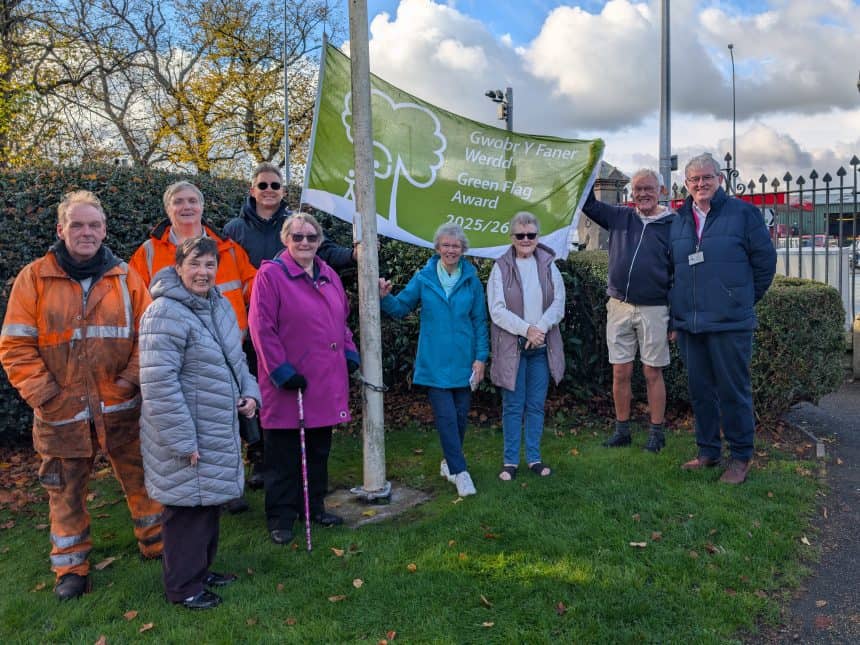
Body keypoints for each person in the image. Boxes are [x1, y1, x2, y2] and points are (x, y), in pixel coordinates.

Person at [0, 190, 163, 601]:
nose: (86, 232)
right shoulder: (34, 278)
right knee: (66, 493)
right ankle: (71, 567)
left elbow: (150, 336)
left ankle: (157, 543)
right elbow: (16, 346)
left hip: (122, 407)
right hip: (61, 414)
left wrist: (130, 380)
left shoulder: (126, 277)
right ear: (61, 229)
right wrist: (47, 396)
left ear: (104, 230)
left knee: (143, 480)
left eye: (93, 225)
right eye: (77, 225)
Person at [139, 236, 261, 610]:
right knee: (185, 511)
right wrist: (182, 440)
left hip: (216, 423)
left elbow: (236, 359)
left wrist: (250, 394)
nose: (203, 272)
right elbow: (159, 383)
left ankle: (200, 571)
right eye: (195, 264)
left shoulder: (219, 305)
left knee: (207, 504)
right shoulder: (163, 314)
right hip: (187, 431)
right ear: (178, 267)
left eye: (210, 265)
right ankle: (183, 588)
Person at [222, 162, 356, 492]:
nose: (269, 191)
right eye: (263, 185)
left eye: (275, 185)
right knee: (253, 390)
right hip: (251, 318)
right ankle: (259, 458)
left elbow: (324, 253)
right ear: (252, 190)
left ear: (283, 191)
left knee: (286, 395)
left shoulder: (293, 223)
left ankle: (302, 481)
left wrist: (356, 254)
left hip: (291, 321)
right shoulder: (235, 229)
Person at [130, 180, 257, 514]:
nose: (186, 207)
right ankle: (192, 499)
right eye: (178, 201)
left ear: (202, 207)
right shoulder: (149, 252)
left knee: (226, 424)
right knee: (188, 421)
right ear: (167, 209)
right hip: (177, 353)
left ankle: (226, 488)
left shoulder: (227, 247)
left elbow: (252, 287)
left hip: (227, 352)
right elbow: (132, 301)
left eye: (192, 201)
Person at [248, 212, 358, 545]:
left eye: (311, 237)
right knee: (283, 455)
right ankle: (280, 515)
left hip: (324, 380)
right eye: (297, 237)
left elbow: (341, 318)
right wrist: (280, 371)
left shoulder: (329, 275)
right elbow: (261, 328)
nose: (305, 242)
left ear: (320, 241)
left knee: (318, 450)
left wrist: (350, 352)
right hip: (289, 384)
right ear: (286, 240)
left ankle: (313, 506)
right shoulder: (270, 276)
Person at [670, 153, 776, 484]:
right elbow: (674, 272)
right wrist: (677, 317)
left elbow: (765, 264)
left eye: (707, 177)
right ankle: (708, 452)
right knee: (700, 391)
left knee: (733, 392)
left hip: (730, 322)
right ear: (686, 185)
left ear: (720, 179)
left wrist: (739, 299)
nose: (701, 184)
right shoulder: (680, 219)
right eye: (694, 180)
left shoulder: (743, 214)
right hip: (691, 324)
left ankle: (741, 458)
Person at [379, 223, 489, 497]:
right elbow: (402, 307)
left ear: (463, 250)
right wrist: (384, 298)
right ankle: (460, 472)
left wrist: (481, 359)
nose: (451, 250)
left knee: (460, 417)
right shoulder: (424, 277)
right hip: (434, 362)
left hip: (465, 362)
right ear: (437, 248)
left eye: (456, 246)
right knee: (446, 417)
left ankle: (448, 463)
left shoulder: (472, 280)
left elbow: (480, 322)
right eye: (446, 245)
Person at [581, 169, 675, 452]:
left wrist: (676, 318)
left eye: (649, 188)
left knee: (652, 371)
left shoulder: (674, 224)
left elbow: (680, 272)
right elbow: (588, 205)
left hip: (655, 308)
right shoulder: (621, 216)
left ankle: (656, 432)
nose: (643, 194)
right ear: (630, 192)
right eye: (638, 189)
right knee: (620, 371)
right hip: (619, 306)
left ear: (661, 191)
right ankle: (622, 429)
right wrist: (586, 169)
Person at [487, 212, 565, 480]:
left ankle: (533, 458)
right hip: (514, 347)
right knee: (512, 405)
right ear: (512, 237)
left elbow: (558, 303)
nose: (526, 239)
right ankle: (510, 461)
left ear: (537, 237)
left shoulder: (548, 264)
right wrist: (527, 330)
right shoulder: (500, 267)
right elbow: (496, 310)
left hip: (541, 348)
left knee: (535, 405)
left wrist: (540, 329)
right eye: (520, 235)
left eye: (530, 235)